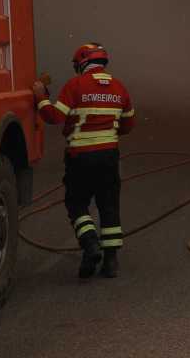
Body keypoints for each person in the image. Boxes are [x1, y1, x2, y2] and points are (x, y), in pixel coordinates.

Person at [34, 42, 136, 279]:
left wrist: (40, 98)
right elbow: (128, 124)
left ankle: (90, 244)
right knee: (109, 205)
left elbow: (55, 117)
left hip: (80, 157)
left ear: (82, 62)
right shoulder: (119, 87)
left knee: (76, 203)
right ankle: (111, 262)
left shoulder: (75, 85)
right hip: (109, 157)